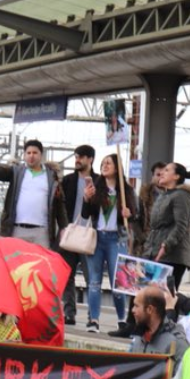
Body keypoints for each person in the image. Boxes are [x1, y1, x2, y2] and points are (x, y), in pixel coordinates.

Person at [81, 152, 138, 336]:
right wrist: (86, 199)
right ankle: (94, 320)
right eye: (103, 163)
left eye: (109, 163)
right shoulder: (96, 187)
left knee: (119, 283)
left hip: (117, 239)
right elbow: (85, 214)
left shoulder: (126, 190)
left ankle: (121, 319)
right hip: (97, 238)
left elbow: (137, 215)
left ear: (117, 167)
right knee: (94, 282)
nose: (105, 166)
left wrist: (130, 214)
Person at [0, 139, 67, 248]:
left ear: (41, 155)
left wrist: (63, 227)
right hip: (17, 230)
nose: (31, 156)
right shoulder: (16, 172)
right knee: (16, 263)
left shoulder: (52, 177)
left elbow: (59, 204)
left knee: (39, 264)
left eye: (35, 153)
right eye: (28, 153)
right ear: (24, 155)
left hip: (42, 232)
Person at [59, 144, 97, 325]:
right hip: (70, 234)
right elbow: (59, 206)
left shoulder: (99, 181)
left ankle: (93, 316)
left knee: (92, 278)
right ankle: (69, 314)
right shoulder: (67, 181)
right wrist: (61, 227)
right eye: (76, 156)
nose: (77, 159)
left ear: (90, 159)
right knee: (67, 275)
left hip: (88, 235)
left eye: (81, 156)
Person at [144, 162, 190, 288]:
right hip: (154, 252)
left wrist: (166, 246)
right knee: (145, 294)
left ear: (176, 176)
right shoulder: (164, 195)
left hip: (172, 256)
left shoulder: (181, 196)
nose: (161, 173)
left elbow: (181, 225)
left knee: (165, 297)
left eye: (166, 170)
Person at [132, 162, 166, 259]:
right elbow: (135, 219)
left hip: (164, 246)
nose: (160, 177)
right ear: (153, 177)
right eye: (158, 175)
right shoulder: (143, 196)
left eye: (163, 175)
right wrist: (143, 239)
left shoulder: (172, 196)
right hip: (145, 245)